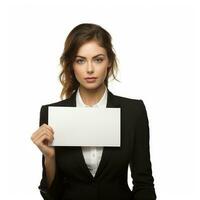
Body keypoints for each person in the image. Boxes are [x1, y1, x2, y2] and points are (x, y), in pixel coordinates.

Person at [31, 23, 157, 200]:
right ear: (71, 65)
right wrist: (49, 157)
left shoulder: (133, 112)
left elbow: (143, 183)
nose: (89, 69)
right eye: (80, 60)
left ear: (109, 61)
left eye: (98, 59)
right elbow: (53, 195)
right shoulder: (52, 114)